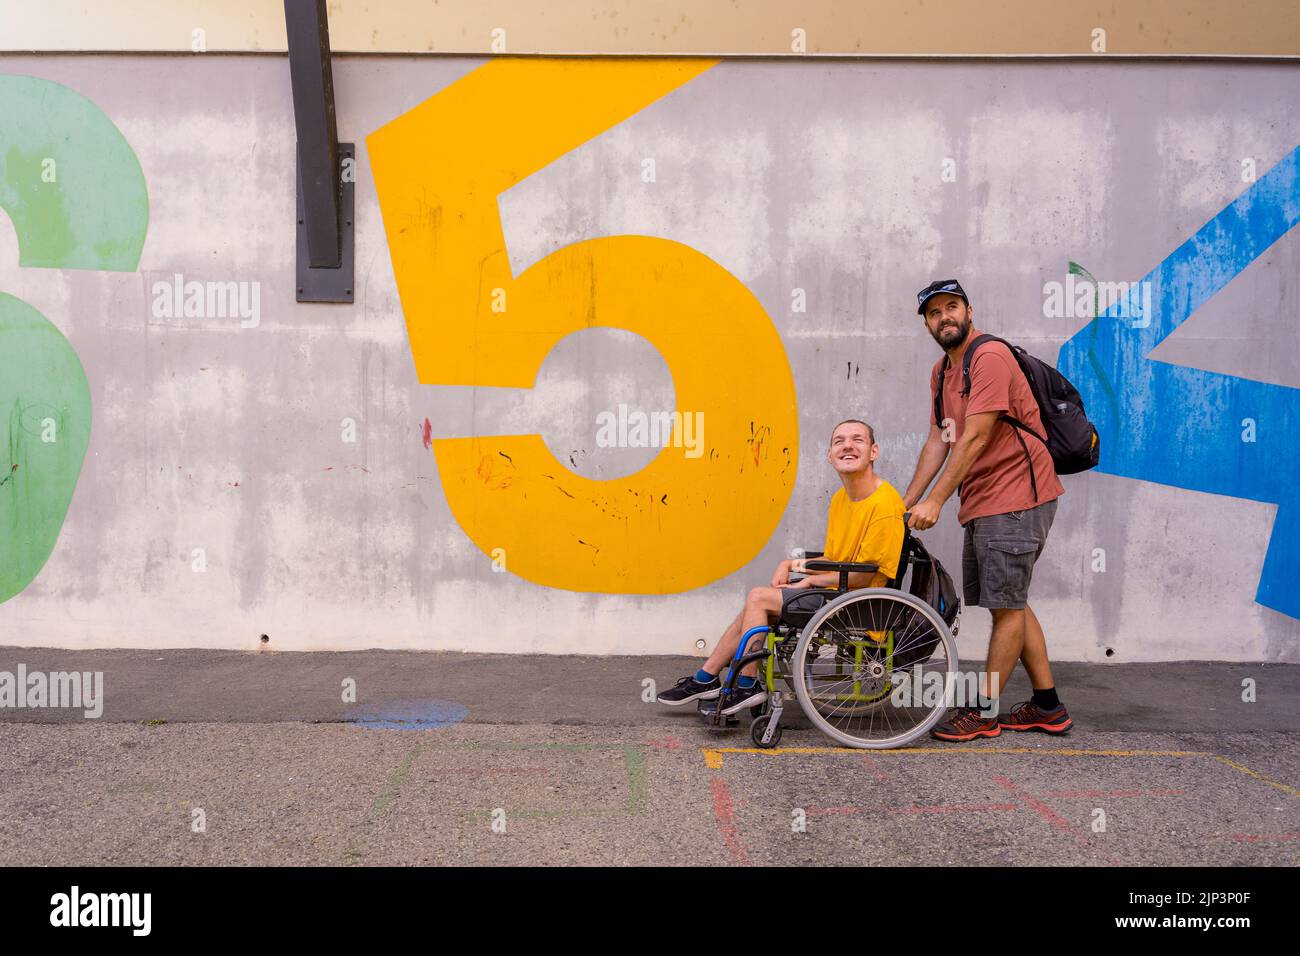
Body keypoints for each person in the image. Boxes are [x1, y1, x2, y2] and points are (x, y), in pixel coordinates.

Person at [902, 279, 1072, 740]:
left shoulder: (989, 357)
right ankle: (1047, 706)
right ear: (928, 325)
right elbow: (941, 437)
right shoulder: (942, 372)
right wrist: (909, 499)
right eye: (934, 314)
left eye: (951, 307)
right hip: (984, 499)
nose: (945, 318)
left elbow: (976, 436)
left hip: (1017, 495)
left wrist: (937, 500)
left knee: (1007, 606)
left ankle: (983, 714)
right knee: (1009, 604)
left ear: (969, 310)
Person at [657, 419, 906, 716]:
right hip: (839, 592)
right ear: (830, 455)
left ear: (873, 451)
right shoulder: (842, 499)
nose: (848, 446)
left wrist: (807, 582)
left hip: (861, 603)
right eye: (839, 441)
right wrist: (790, 563)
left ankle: (744, 685)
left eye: (858, 440)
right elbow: (838, 558)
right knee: (755, 604)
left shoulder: (884, 504)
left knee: (759, 598)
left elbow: (860, 573)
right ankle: (706, 678)